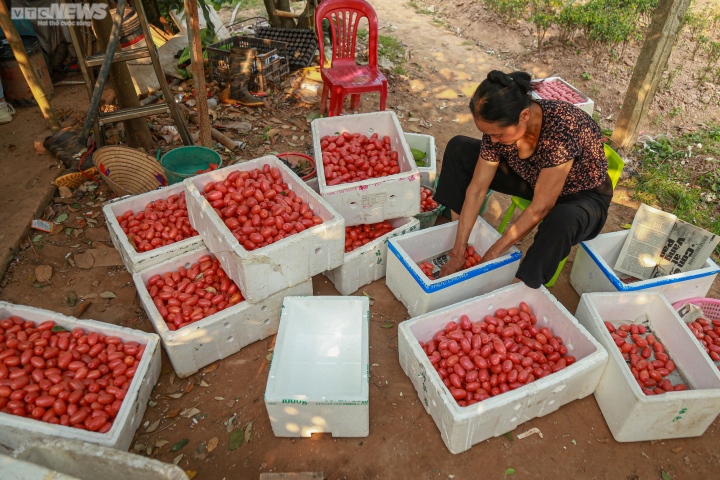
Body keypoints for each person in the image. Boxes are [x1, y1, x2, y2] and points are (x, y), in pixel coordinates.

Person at [434, 70, 613, 288]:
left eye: (498, 135)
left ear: (524, 116)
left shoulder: (563, 129)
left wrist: (489, 257)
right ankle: (455, 229)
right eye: (488, 134)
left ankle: (521, 285)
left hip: (581, 197)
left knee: (561, 221)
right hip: (533, 178)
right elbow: (477, 189)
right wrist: (458, 252)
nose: (492, 140)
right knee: (459, 148)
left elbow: (541, 207)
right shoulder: (499, 127)